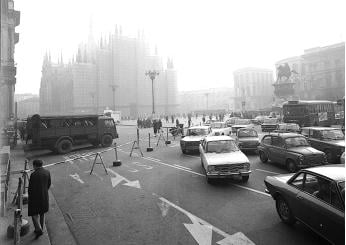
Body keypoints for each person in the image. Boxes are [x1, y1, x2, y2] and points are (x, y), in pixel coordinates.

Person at [28, 159, 51, 239]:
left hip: (35, 197)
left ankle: (38, 229)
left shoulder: (33, 175)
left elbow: (30, 188)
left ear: (35, 165)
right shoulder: (47, 172)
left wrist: (30, 197)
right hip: (44, 196)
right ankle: (42, 228)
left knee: (34, 214)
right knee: (42, 213)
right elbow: (48, 184)